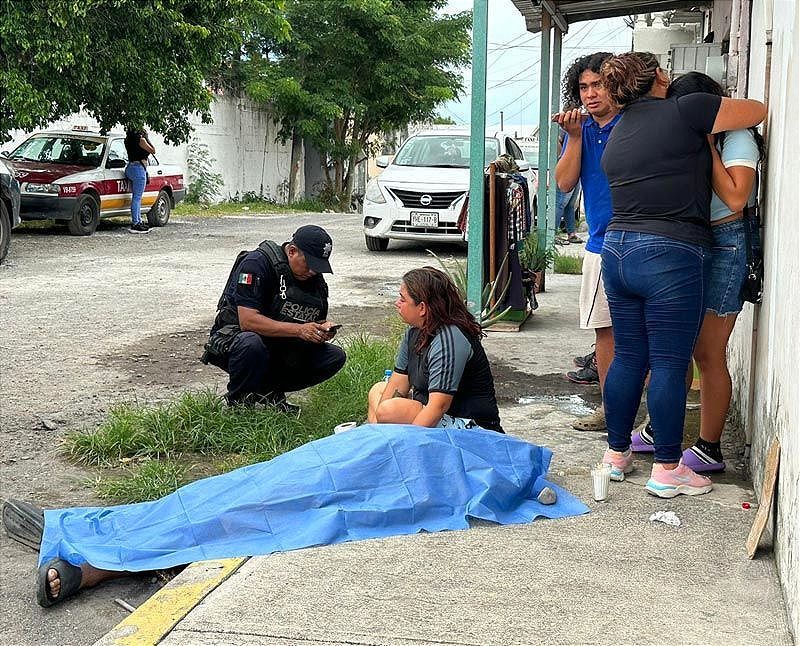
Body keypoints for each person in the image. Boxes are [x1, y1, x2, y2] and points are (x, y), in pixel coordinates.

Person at [596, 52, 766, 496]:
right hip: (669, 252)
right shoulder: (686, 109)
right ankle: (668, 469)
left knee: (631, 357)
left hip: (617, 250)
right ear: (658, 78)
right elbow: (758, 110)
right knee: (672, 362)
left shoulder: (620, 129)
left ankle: (616, 455)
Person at [642, 71, 761, 473]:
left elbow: (737, 197)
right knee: (678, 344)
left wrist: (708, 145)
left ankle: (710, 446)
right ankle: (661, 428)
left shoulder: (737, 137)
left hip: (726, 243)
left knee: (708, 353)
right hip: (692, 241)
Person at [203, 225, 346, 413]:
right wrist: (300, 330)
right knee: (251, 343)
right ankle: (238, 406)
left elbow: (311, 319)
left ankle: (270, 393)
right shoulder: (257, 263)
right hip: (236, 342)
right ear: (292, 251)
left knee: (334, 356)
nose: (313, 271)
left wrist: (320, 329)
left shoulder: (313, 277)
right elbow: (248, 322)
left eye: (318, 267)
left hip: (279, 345)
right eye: (309, 264)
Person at [552, 52, 618, 423]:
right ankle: (611, 410)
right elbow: (563, 182)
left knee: (649, 337)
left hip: (641, 239)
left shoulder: (633, 121)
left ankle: (652, 420)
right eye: (584, 87)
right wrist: (574, 137)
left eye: (599, 85)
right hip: (600, 244)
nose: (591, 94)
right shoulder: (581, 129)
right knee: (605, 334)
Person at [367, 267, 503, 432]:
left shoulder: (449, 338)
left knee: (389, 410)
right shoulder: (413, 333)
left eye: (402, 299)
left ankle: (386, 444)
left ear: (422, 308)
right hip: (433, 412)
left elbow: (438, 407)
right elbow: (398, 384)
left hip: (471, 426)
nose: (397, 303)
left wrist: (408, 443)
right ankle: (377, 440)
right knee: (378, 391)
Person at [123, 127, 156, 234]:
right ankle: (136, 222)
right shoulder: (141, 140)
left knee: (136, 197)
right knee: (137, 198)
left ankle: (139, 221)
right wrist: (147, 137)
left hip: (131, 167)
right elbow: (153, 150)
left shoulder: (128, 140)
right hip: (139, 169)